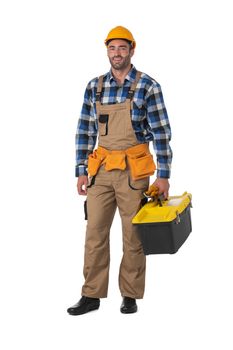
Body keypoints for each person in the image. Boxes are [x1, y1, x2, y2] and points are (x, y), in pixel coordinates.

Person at [67, 26, 172, 315]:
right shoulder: (95, 86)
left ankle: (130, 294)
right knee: (95, 233)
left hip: (134, 171)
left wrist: (163, 175)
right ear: (107, 51)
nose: (117, 53)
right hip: (101, 170)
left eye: (122, 48)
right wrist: (81, 170)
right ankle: (91, 295)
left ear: (132, 50)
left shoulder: (147, 86)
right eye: (112, 48)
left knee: (134, 235)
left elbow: (162, 132)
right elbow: (85, 130)